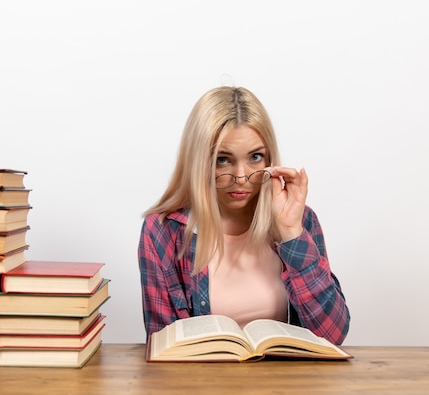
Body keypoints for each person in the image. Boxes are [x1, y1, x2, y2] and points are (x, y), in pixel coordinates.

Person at [137, 86, 350, 345]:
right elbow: (164, 346)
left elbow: (333, 336)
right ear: (198, 162)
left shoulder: (301, 222)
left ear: (270, 159)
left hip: (286, 383)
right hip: (203, 384)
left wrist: (291, 233)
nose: (240, 177)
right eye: (223, 159)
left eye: (255, 157)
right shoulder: (163, 231)